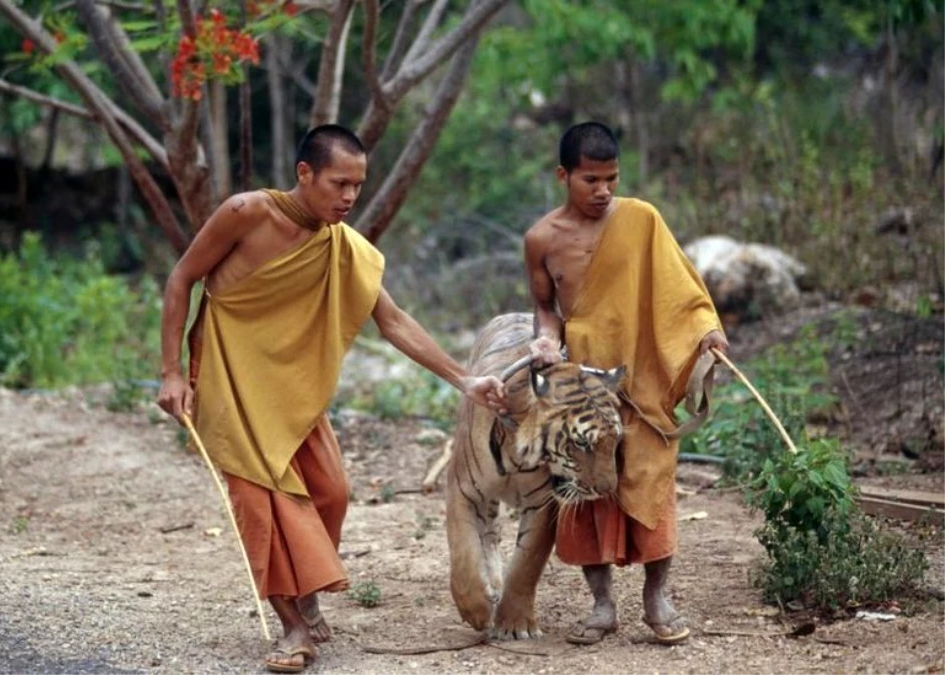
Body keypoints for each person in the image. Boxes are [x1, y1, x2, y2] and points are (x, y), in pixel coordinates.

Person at [157, 124, 507, 673]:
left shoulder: (342, 246)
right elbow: (182, 279)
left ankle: (307, 592)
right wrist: (171, 372)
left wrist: (463, 379)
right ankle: (293, 629)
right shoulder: (245, 213)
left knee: (332, 492)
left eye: (357, 187)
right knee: (262, 507)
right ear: (305, 174)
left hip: (291, 391)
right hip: (230, 380)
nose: (349, 197)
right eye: (339, 183)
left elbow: (391, 320)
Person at [523, 121, 729, 646]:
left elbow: (680, 290)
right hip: (586, 385)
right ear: (563, 176)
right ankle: (600, 605)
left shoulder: (641, 220)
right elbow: (546, 310)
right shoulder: (541, 239)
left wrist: (705, 333)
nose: (604, 191)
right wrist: (546, 342)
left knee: (650, 477)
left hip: (641, 375)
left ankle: (657, 599)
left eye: (612, 178)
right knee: (590, 485)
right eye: (591, 180)